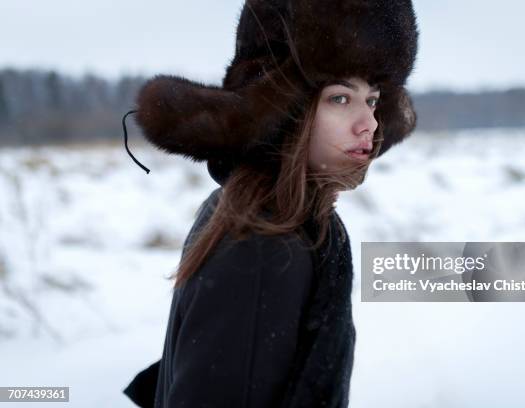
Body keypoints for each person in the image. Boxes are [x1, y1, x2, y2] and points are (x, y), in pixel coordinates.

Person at [122, 1, 418, 407]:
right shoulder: (263, 243)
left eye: (372, 98)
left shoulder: (270, 213)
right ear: (282, 110)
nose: (370, 122)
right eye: (340, 99)